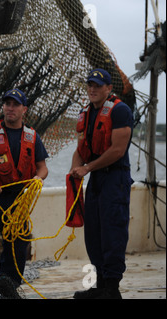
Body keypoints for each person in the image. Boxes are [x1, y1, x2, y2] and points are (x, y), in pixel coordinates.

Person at [0, 89, 48, 288]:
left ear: (24, 109)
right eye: (7, 104)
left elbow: (42, 167)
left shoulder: (32, 136)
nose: (10, 108)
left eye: (15, 105)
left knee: (17, 248)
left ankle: (9, 287)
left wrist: (37, 180)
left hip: (19, 201)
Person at [70, 69, 133, 299]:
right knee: (94, 233)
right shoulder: (85, 113)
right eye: (90, 84)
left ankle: (112, 289)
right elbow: (81, 150)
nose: (93, 89)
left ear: (108, 88)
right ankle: (101, 285)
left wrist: (87, 168)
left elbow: (117, 150)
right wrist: (73, 173)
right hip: (96, 179)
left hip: (115, 178)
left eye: (98, 85)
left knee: (112, 232)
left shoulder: (120, 111)